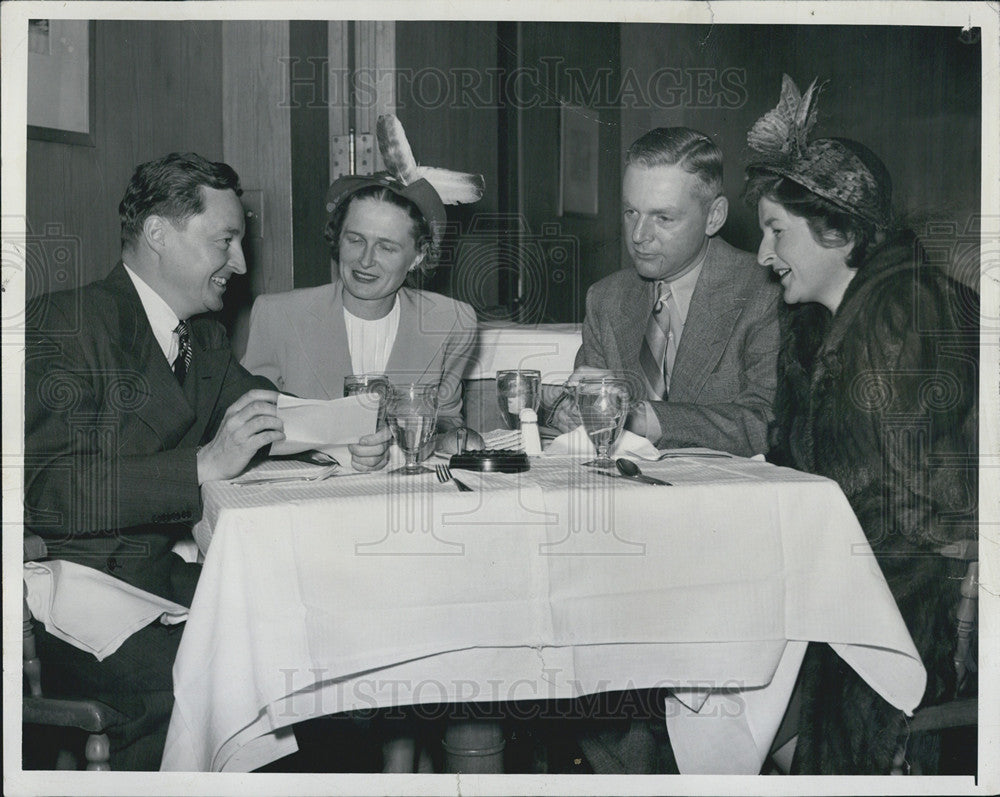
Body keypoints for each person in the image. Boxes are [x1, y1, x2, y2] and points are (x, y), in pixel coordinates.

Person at [23, 152, 390, 770]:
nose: (241, 264)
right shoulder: (65, 322)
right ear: (158, 234)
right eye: (226, 241)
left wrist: (348, 435)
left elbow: (269, 415)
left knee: (323, 648)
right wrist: (201, 464)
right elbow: (48, 494)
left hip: (172, 584)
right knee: (250, 675)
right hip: (85, 603)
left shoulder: (205, 339)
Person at [744, 75, 978, 774]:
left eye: (775, 231)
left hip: (910, 613)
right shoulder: (827, 324)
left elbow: (922, 516)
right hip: (851, 584)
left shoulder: (904, 316)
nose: (762, 255)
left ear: (839, 231)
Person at [242, 116, 481, 441]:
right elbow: (251, 424)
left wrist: (455, 439)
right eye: (355, 240)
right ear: (338, 237)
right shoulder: (278, 316)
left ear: (418, 256)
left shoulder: (451, 321)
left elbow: (446, 418)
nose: (365, 260)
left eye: (386, 247)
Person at [551, 127, 781, 458]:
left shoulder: (765, 292)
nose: (639, 235)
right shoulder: (606, 299)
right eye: (631, 212)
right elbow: (584, 408)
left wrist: (643, 417)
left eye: (663, 217)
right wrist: (571, 411)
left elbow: (767, 424)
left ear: (713, 217)